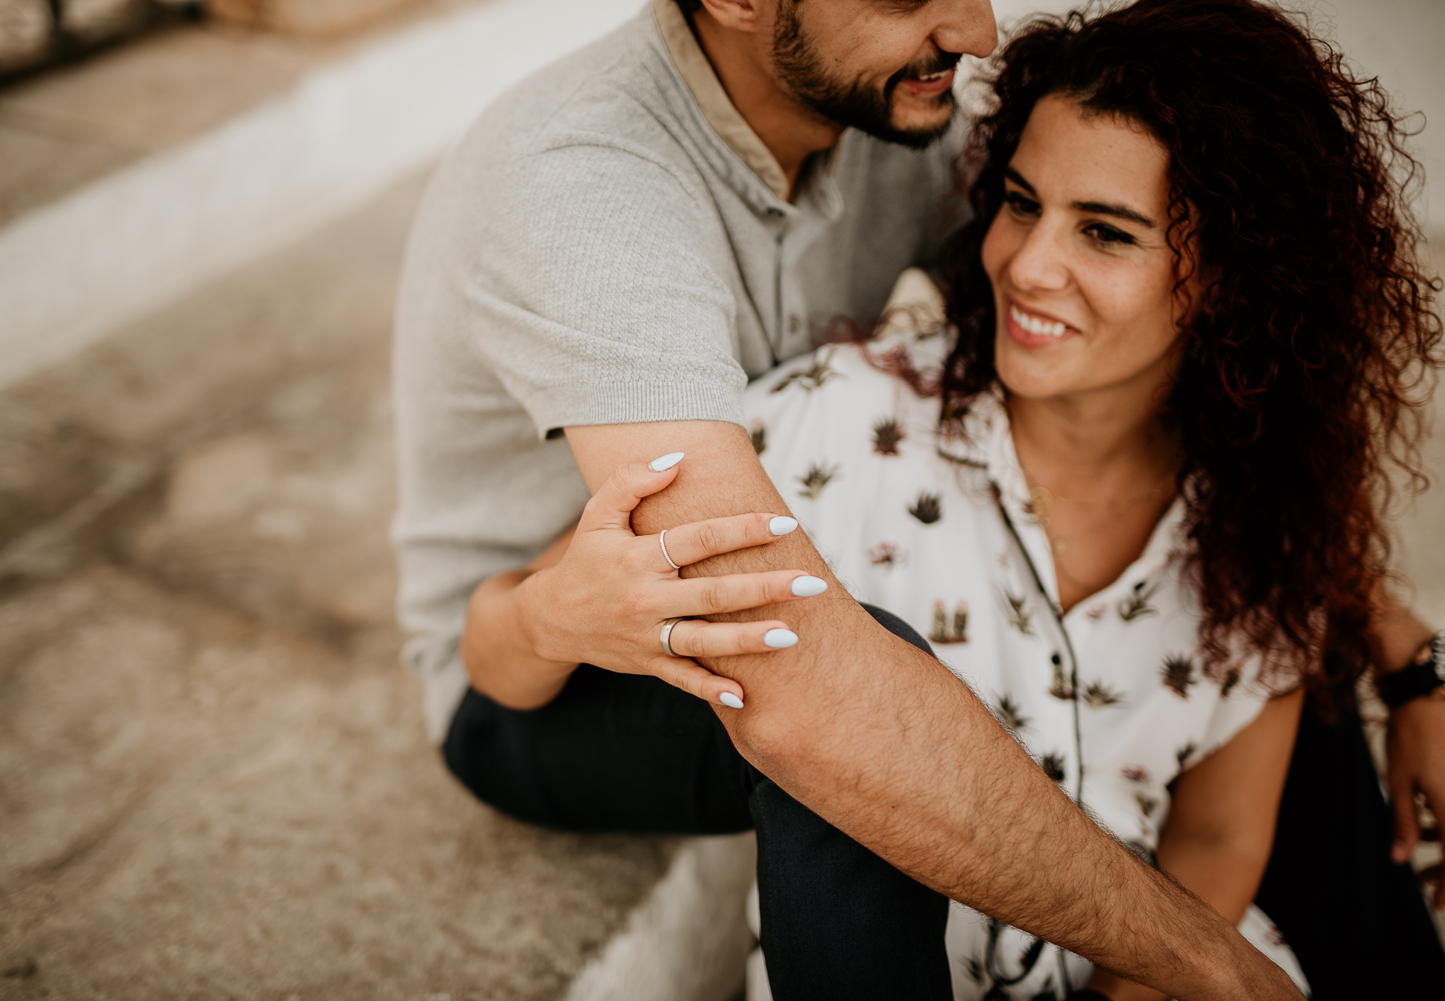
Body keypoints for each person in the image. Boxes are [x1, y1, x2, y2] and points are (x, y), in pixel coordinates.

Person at [393, 0, 1437, 997]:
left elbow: (1207, 261)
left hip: (788, 551)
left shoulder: (903, 109)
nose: (978, 32)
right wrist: (1213, 968)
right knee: (850, 710)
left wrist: (1406, 652)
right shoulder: (581, 189)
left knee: (1286, 660)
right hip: (561, 664)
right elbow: (791, 672)